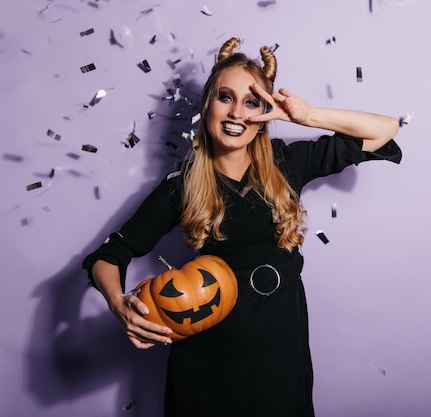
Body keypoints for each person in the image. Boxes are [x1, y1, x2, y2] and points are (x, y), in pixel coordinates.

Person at [82, 37, 402, 417]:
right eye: (225, 97)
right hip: (206, 361)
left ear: (265, 112)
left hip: (280, 351)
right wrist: (119, 306)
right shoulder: (181, 185)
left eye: (252, 102)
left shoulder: (288, 163)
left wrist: (305, 116)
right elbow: (109, 255)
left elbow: (384, 130)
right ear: (207, 105)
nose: (237, 113)